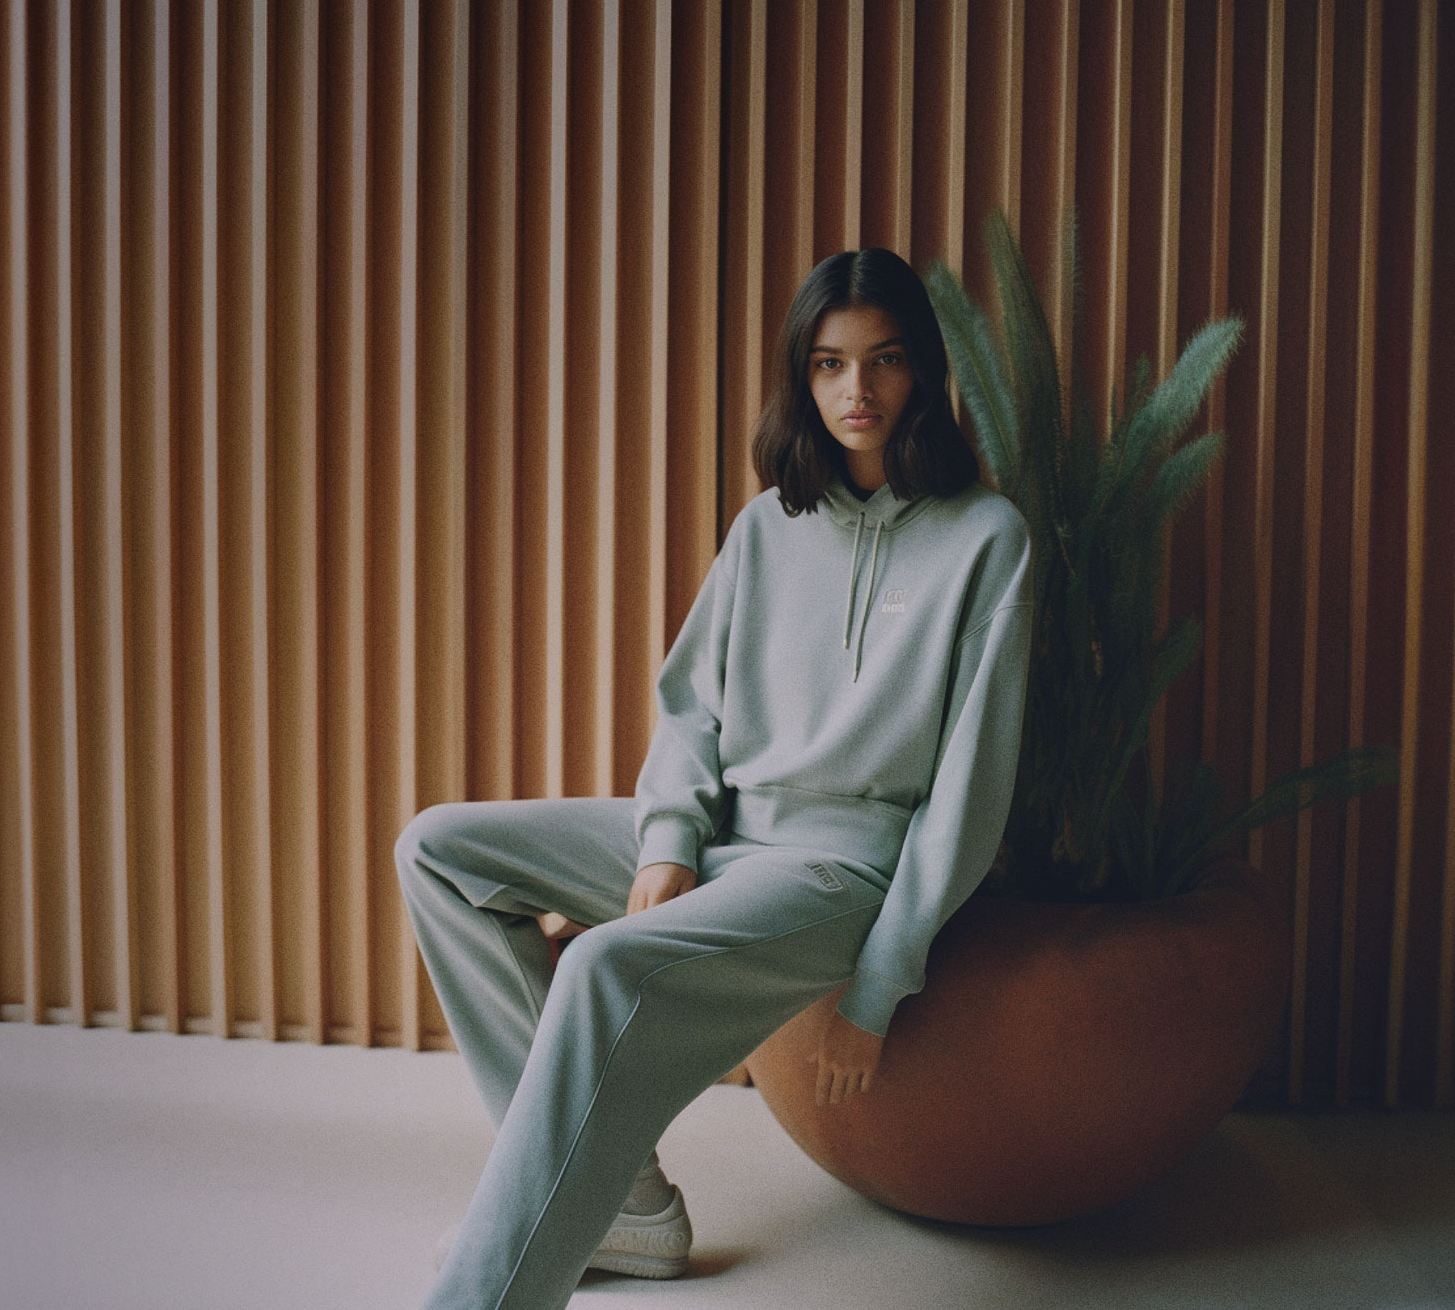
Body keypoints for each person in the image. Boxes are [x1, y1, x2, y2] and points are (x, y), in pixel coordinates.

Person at [397, 247, 1034, 1308]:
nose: (857, 389)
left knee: (600, 964)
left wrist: (879, 985)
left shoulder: (986, 538)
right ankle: (622, 1203)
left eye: (883, 359)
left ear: (923, 369)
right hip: (725, 830)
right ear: (802, 375)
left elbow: (969, 784)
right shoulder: (766, 526)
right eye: (829, 363)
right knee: (438, 851)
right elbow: (690, 706)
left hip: (834, 871)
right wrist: (667, 843)